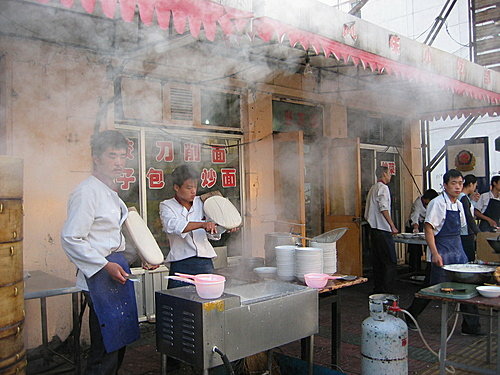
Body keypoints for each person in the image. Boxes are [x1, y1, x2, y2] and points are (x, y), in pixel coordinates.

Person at [61, 130, 140, 374]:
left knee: (119, 341)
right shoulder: (87, 192)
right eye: (112, 156)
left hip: (116, 269)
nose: (119, 162)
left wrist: (140, 257)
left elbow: (111, 236)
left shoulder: (109, 191)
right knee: (105, 346)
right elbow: (71, 237)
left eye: (122, 156)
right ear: (96, 157)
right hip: (100, 275)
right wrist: (105, 265)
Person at [424, 169, 481, 335]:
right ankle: (411, 315)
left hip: (458, 252)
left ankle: (470, 327)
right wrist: (435, 253)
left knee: (466, 288)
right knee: (434, 290)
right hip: (442, 251)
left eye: (460, 183)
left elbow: (461, 229)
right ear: (445, 185)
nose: (457, 187)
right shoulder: (437, 203)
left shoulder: (459, 204)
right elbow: (428, 229)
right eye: (453, 183)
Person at [160, 165, 232, 288]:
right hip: (180, 262)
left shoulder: (204, 202)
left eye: (195, 186)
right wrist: (202, 224)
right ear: (176, 187)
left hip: (204, 262)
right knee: (179, 300)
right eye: (189, 187)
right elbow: (172, 225)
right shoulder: (167, 205)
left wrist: (225, 226)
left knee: (207, 298)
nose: (193, 191)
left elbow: (213, 230)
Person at [364, 165, 399, 294]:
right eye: (389, 173)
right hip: (382, 229)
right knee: (390, 261)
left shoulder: (373, 188)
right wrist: (392, 226)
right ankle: (387, 290)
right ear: (384, 174)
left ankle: (378, 289)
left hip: (373, 229)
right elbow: (383, 208)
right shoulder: (383, 188)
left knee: (378, 261)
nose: (390, 176)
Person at [405, 189, 438, 272]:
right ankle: (414, 270)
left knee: (428, 247)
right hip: (414, 226)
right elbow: (415, 216)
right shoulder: (418, 203)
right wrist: (415, 227)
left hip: (425, 226)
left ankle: (428, 268)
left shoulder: (432, 204)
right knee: (415, 250)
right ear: (426, 199)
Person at [459, 174, 480, 262]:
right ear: (471, 184)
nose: (475, 188)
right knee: (469, 257)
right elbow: (468, 217)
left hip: (466, 231)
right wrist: (478, 232)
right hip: (465, 232)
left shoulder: (464, 198)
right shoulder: (463, 198)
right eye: (475, 185)